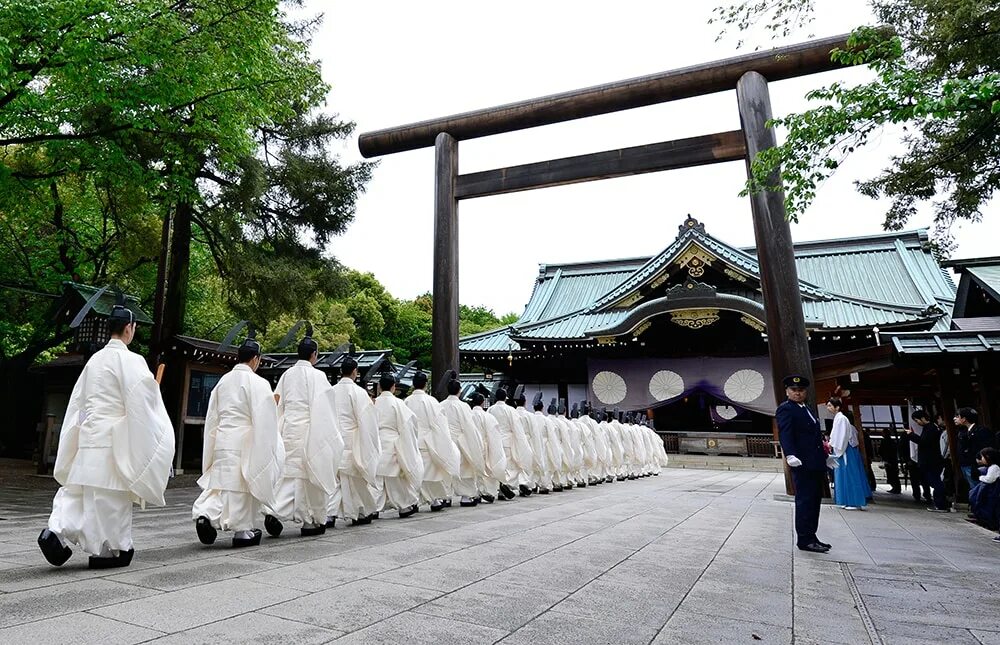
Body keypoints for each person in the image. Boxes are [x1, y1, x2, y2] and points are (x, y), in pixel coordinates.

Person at [39, 298, 175, 569]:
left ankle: (55, 530)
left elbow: (78, 404)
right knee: (111, 500)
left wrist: (78, 436)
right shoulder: (132, 361)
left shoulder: (94, 361)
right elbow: (142, 406)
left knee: (78, 493)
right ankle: (110, 549)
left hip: (89, 437)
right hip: (113, 441)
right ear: (129, 328)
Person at [192, 330, 283, 548]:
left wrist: (212, 444)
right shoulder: (258, 383)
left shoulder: (222, 382)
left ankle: (205, 515)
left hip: (224, 439)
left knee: (219, 485)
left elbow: (212, 417)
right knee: (244, 486)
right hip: (245, 441)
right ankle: (243, 531)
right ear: (255, 359)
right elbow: (264, 421)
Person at [265, 329, 344, 538]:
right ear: (314, 355)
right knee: (312, 479)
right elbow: (325, 410)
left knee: (289, 476)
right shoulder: (318, 376)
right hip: (310, 431)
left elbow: (277, 403)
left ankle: (275, 510)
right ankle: (311, 521)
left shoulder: (286, 375)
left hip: (289, 429)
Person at [776, 375, 832, 553]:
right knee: (805, 500)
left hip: (814, 460)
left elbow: (814, 436)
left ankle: (812, 536)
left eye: (800, 390)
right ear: (787, 391)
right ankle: (804, 539)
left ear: (805, 391)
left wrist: (824, 455)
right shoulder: (786, 409)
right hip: (802, 462)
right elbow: (785, 433)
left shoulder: (806, 408)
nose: (797, 393)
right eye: (794, 390)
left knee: (814, 500)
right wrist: (790, 454)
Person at [330, 357, 381, 525]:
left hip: (332, 439)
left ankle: (328, 513)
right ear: (355, 372)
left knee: (335, 481)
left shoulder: (330, 391)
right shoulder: (360, 393)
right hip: (352, 441)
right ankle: (359, 511)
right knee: (355, 481)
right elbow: (367, 422)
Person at [405, 370, 460, 512]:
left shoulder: (406, 401)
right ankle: (435, 500)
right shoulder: (431, 401)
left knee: (414, 473)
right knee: (432, 474)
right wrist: (443, 443)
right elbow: (439, 424)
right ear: (425, 384)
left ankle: (413, 500)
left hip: (412, 441)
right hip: (428, 442)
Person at [373, 374, 423, 518]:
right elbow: (409, 424)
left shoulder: (373, 403)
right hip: (393, 444)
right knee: (395, 479)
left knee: (377, 481)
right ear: (394, 387)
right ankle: (404, 506)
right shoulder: (398, 403)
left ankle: (372, 508)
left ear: (380, 387)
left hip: (376, 443)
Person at [439, 374, 488, 507]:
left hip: (445, 440)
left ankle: (445, 496)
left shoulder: (441, 405)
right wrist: (475, 443)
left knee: (446, 467)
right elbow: (469, 426)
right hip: (460, 440)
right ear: (459, 391)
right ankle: (466, 496)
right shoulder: (463, 406)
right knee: (465, 467)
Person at [488, 388, 534, 499]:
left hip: (493, 440)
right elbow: (517, 428)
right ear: (505, 398)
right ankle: (506, 484)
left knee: (496, 465)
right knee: (509, 466)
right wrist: (522, 443)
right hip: (507, 440)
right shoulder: (510, 410)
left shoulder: (490, 409)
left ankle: (500, 489)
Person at [827, 397, 870, 509]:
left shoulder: (841, 419)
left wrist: (833, 444)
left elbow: (841, 436)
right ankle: (845, 500)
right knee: (844, 475)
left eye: (830, 405)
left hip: (844, 449)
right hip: (842, 448)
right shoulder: (839, 418)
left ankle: (854, 502)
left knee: (849, 475)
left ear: (837, 407)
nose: (828, 408)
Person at [907, 410, 949, 512]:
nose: (917, 423)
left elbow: (924, 442)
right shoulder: (929, 428)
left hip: (931, 460)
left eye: (917, 420)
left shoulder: (931, 428)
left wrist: (911, 435)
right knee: (935, 481)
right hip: (930, 460)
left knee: (936, 482)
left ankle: (941, 504)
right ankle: (940, 503)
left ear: (922, 418)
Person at [469, 392, 506, 502]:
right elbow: (493, 433)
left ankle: (474, 491)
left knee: (471, 468)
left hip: (469, 444)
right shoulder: (488, 416)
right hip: (484, 444)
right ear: (482, 402)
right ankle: (485, 490)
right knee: (485, 469)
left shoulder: (467, 415)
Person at [955, 408, 996, 490]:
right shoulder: (966, 432)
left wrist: (981, 460)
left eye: (958, 416)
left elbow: (986, 448)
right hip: (970, 465)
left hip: (979, 466)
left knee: (978, 490)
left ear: (964, 419)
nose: (955, 418)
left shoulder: (981, 431)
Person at [968, 448, 1000, 536]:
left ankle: (990, 522)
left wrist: (980, 478)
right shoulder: (991, 467)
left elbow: (989, 479)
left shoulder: (994, 467)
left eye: (982, 457)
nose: (981, 459)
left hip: (992, 491)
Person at [879, 427, 902, 494]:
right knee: (894, 475)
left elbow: (881, 451)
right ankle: (896, 487)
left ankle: (895, 488)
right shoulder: (892, 441)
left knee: (892, 474)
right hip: (893, 459)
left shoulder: (885, 441)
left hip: (888, 459)